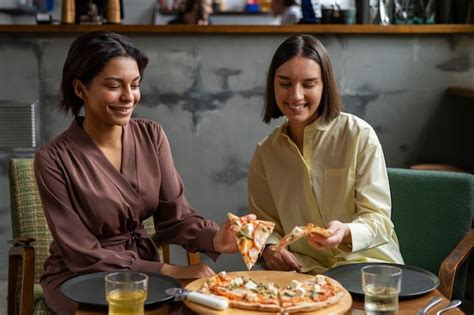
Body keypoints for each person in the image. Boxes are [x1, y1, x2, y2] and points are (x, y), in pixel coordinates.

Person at [34, 31, 252, 314]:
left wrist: (216, 239)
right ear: (80, 89)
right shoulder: (53, 159)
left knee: (204, 308)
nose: (128, 97)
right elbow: (82, 253)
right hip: (81, 277)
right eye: (114, 86)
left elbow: (177, 217)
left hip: (146, 270)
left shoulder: (152, 135)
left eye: (135, 85)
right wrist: (170, 270)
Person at [248, 35, 404, 275]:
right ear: (273, 85)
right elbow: (264, 225)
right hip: (305, 272)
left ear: (325, 86)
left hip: (367, 267)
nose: (296, 95)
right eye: (285, 83)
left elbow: (379, 220)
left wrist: (347, 232)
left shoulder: (359, 135)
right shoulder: (265, 153)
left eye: (309, 84)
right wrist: (270, 249)